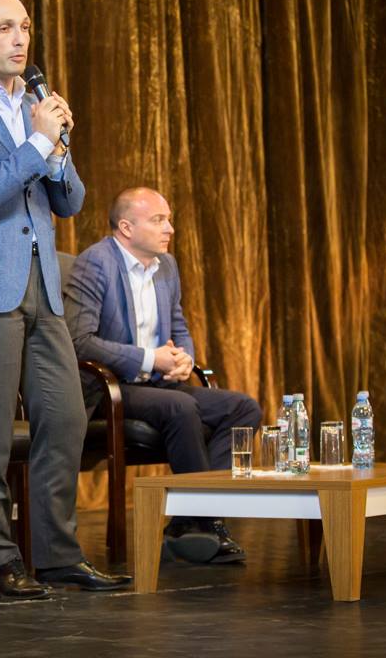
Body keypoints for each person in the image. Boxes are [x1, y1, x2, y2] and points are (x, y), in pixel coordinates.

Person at [0, 0, 130, 598]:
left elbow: (70, 202)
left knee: (64, 419)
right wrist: (38, 144)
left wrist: (57, 150)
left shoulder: (38, 105)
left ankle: (58, 556)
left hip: (44, 290)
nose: (19, 39)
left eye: (26, 28)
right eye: (4, 27)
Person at [64, 187, 262, 564]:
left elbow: (178, 324)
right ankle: (207, 522)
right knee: (180, 407)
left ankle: (187, 520)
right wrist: (149, 359)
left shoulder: (166, 265)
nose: (169, 228)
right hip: (109, 388)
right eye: (158, 220)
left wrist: (185, 358)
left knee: (242, 409)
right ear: (126, 227)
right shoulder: (96, 263)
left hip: (157, 384)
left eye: (168, 219)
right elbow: (80, 342)